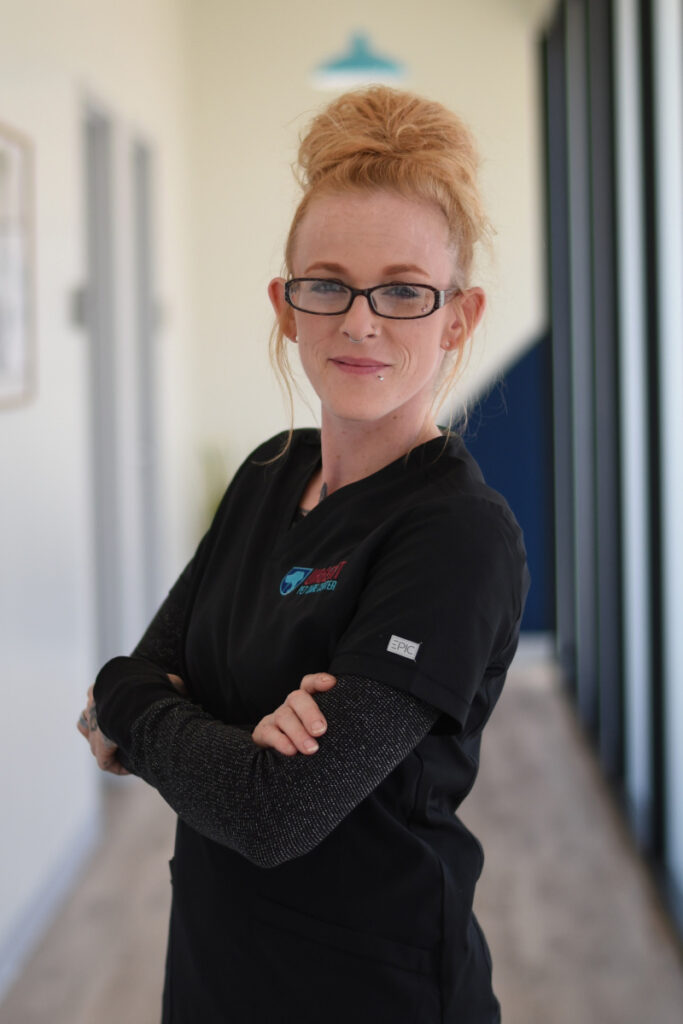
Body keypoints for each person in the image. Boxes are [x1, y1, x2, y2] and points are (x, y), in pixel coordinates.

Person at [78, 86, 529, 1023]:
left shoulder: (456, 533)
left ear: (458, 317)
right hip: (213, 963)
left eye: (403, 290)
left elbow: (273, 811)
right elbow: (154, 670)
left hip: (373, 987)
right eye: (326, 284)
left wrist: (129, 701)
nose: (359, 322)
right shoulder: (266, 474)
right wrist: (188, 718)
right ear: (287, 307)